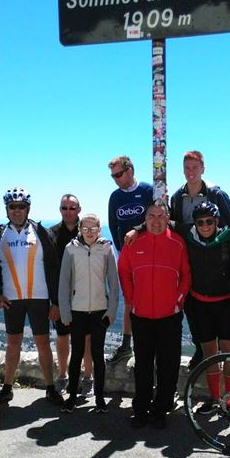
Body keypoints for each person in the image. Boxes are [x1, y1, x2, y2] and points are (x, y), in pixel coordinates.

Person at [118, 199, 191, 429]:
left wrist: (177, 302)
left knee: (168, 366)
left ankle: (161, 410)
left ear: (168, 218)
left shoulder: (178, 243)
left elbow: (186, 276)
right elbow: (124, 271)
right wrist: (132, 300)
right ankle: (140, 410)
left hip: (170, 316)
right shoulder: (134, 242)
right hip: (141, 316)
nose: (157, 221)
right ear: (145, 219)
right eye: (152, 216)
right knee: (143, 365)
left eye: (162, 216)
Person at [0, 187, 63, 406]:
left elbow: (53, 267)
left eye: (21, 206)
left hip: (39, 298)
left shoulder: (41, 232)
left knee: (42, 343)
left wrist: (56, 302)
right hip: (12, 299)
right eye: (12, 207)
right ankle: (7, 388)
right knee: (13, 343)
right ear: (7, 210)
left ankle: (51, 388)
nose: (17, 211)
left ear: (28, 208)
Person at [170, 150, 230, 370]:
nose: (191, 172)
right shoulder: (177, 197)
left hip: (216, 265)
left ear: (203, 169)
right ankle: (201, 349)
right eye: (187, 168)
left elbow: (229, 229)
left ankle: (213, 358)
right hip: (189, 259)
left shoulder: (217, 194)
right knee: (192, 310)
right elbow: (174, 227)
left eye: (195, 168)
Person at [181, 201, 230, 414]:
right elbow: (160, 218)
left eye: (209, 221)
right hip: (200, 306)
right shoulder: (189, 237)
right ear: (194, 224)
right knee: (210, 356)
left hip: (226, 304)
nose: (204, 226)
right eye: (200, 222)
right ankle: (215, 399)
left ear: (216, 221)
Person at [58, 214, 119, 413]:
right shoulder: (71, 249)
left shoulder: (107, 249)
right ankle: (72, 397)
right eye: (85, 229)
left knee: (97, 355)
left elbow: (114, 284)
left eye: (93, 229)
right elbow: (63, 284)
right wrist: (65, 313)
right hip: (77, 311)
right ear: (80, 230)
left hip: (100, 311)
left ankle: (100, 398)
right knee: (76, 355)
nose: (90, 232)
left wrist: (111, 312)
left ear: (99, 230)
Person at [107, 155, 153, 364]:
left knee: (150, 297)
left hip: (149, 253)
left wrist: (138, 230)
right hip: (126, 255)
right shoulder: (115, 197)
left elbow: (158, 217)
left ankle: (150, 344)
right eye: (113, 176)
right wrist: (120, 252)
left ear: (130, 170)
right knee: (129, 301)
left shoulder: (147, 190)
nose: (115, 179)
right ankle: (127, 345)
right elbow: (113, 224)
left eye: (118, 174)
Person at [49, 194, 94, 397]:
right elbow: (48, 270)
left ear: (79, 209)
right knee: (62, 336)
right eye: (64, 208)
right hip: (61, 297)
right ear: (60, 210)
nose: (68, 212)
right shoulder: (52, 234)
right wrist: (54, 302)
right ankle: (62, 376)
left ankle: (87, 378)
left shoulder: (86, 233)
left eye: (72, 208)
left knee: (86, 338)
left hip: (85, 295)